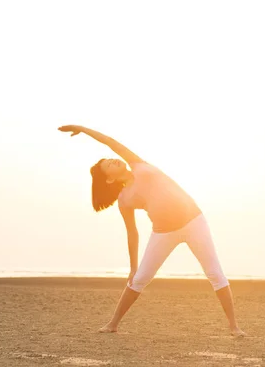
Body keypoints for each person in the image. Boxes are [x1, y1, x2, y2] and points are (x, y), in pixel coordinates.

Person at [58, 124, 246, 337]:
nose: (113, 160)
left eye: (110, 159)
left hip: (193, 221)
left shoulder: (137, 163)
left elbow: (109, 140)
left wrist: (82, 129)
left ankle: (234, 326)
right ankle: (113, 323)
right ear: (109, 178)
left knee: (215, 273)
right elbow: (132, 233)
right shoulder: (124, 199)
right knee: (138, 280)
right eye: (108, 165)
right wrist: (132, 266)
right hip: (163, 232)